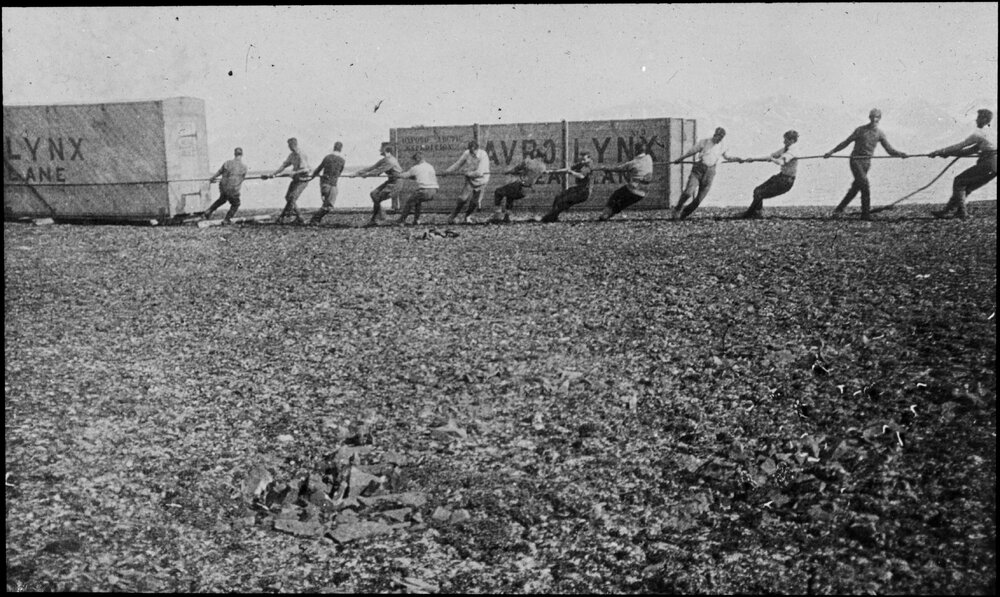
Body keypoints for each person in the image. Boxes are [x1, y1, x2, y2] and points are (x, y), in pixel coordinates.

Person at [825, 108, 908, 220]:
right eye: (873, 117)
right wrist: (832, 151)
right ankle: (865, 215)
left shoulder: (880, 134)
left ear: (880, 119)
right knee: (865, 185)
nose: (874, 119)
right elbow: (846, 142)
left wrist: (900, 154)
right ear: (869, 117)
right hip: (856, 160)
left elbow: (889, 150)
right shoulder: (860, 130)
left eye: (877, 117)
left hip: (866, 163)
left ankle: (838, 210)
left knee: (856, 187)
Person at [927, 108, 996, 220]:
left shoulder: (979, 134)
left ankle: (962, 213)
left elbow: (960, 146)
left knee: (959, 181)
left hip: (989, 164)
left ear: (985, 119)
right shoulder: (992, 133)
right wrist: (947, 154)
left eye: (978, 117)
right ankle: (948, 211)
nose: (976, 120)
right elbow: (969, 151)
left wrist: (939, 151)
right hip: (994, 168)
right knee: (966, 187)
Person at [670, 127, 740, 220]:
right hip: (698, 170)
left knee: (699, 199)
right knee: (688, 192)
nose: (718, 141)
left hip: (710, 172)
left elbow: (727, 157)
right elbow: (691, 152)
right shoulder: (704, 142)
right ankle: (677, 208)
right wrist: (680, 159)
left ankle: (684, 214)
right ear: (715, 135)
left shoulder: (722, 145)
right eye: (718, 138)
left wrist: (738, 159)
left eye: (721, 139)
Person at [740, 130, 800, 219]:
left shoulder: (792, 151)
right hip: (781, 177)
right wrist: (753, 159)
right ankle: (757, 212)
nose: (784, 141)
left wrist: (773, 159)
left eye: (786, 140)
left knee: (759, 194)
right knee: (757, 190)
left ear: (792, 141)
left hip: (787, 181)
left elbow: (781, 162)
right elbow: (771, 156)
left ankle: (749, 214)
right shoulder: (784, 149)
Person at [596, 141, 655, 220]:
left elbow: (618, 169)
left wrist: (606, 168)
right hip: (643, 192)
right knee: (623, 204)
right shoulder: (649, 158)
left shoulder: (633, 163)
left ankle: (605, 214)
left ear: (636, 151)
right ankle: (607, 215)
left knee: (615, 195)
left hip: (633, 189)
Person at [263, 137, 312, 225]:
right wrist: (273, 174)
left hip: (303, 179)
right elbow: (284, 166)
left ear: (294, 145)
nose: (289, 147)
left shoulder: (301, 154)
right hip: (296, 178)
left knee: (292, 198)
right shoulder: (291, 155)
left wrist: (294, 172)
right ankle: (296, 218)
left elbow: (306, 169)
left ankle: (296, 218)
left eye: (290, 145)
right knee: (288, 197)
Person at [492, 148, 548, 222]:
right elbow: (531, 174)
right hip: (527, 190)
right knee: (510, 195)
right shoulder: (543, 167)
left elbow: (515, 170)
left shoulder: (528, 161)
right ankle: (506, 217)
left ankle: (497, 216)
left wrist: (508, 172)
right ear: (544, 157)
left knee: (498, 192)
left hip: (520, 187)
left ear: (535, 154)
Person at [444, 140, 491, 224]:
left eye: (474, 151)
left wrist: (467, 173)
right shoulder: (467, 153)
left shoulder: (483, 155)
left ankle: (467, 216)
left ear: (477, 149)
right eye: (470, 151)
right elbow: (458, 164)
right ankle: (452, 217)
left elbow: (479, 172)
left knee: (474, 202)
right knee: (462, 199)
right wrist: (447, 171)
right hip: (470, 179)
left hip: (482, 180)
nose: (472, 153)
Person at [356, 144, 403, 226]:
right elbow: (373, 167)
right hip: (390, 181)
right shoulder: (385, 160)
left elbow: (377, 172)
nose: (379, 150)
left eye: (381, 149)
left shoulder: (390, 161)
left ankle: (376, 219)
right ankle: (381, 216)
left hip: (396, 183)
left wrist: (366, 175)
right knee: (374, 194)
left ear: (386, 151)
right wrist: (358, 172)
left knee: (376, 197)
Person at [541, 151, 594, 223]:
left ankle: (551, 217)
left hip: (584, 191)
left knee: (563, 201)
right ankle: (552, 216)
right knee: (558, 197)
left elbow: (581, 176)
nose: (581, 159)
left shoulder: (589, 165)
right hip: (579, 189)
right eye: (581, 157)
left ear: (589, 157)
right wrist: (550, 171)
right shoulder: (582, 164)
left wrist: (572, 172)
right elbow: (567, 169)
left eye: (583, 158)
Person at [204, 147, 248, 224]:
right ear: (242, 155)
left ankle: (209, 211)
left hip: (223, 186)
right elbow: (241, 179)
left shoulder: (227, 163)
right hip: (233, 188)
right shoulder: (244, 167)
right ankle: (226, 219)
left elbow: (219, 172)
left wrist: (212, 178)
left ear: (234, 154)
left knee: (222, 199)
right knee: (236, 204)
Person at [395, 151, 439, 225]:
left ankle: (402, 220)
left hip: (425, 190)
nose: (414, 162)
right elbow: (423, 177)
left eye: (414, 160)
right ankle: (416, 220)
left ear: (418, 159)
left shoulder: (415, 168)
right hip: (434, 190)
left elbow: (404, 176)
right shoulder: (430, 166)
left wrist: (396, 174)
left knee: (409, 202)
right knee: (417, 201)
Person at [308, 141, 346, 226]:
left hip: (325, 183)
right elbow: (339, 172)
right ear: (341, 149)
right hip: (333, 184)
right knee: (329, 205)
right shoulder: (342, 160)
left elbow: (319, 168)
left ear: (334, 147)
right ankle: (315, 220)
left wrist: (311, 177)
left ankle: (315, 220)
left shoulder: (327, 157)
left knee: (327, 204)